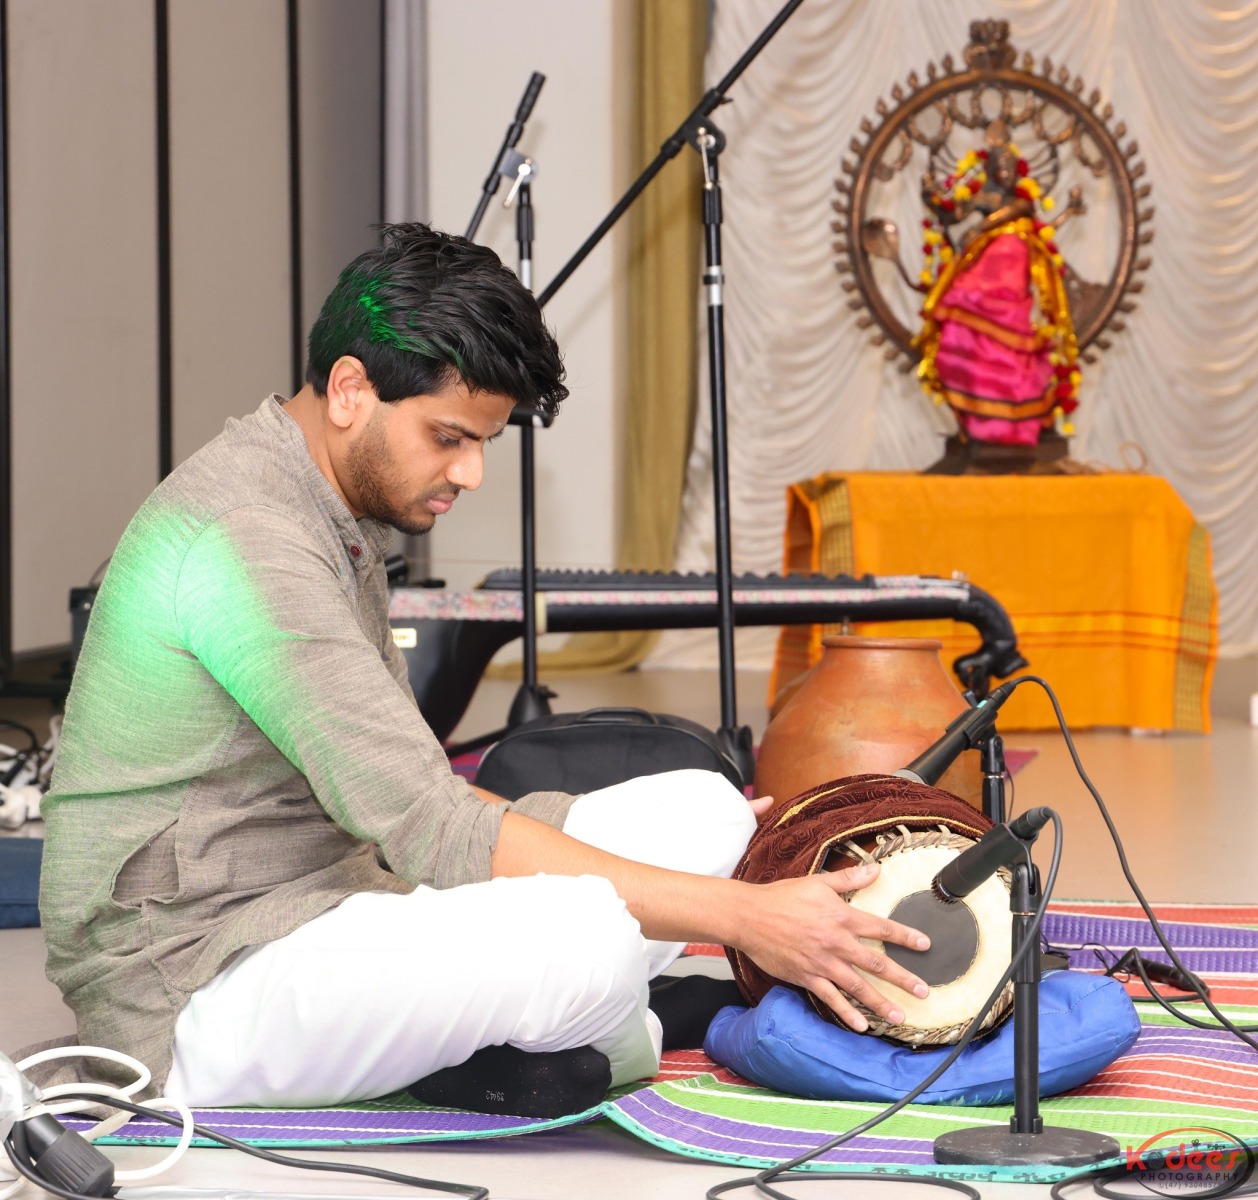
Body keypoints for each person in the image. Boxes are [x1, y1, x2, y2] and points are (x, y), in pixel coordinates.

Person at [39, 223, 931, 1110]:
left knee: (706, 810)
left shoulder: (324, 503)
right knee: (587, 944)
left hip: (340, 891)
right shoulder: (248, 540)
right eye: (448, 437)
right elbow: (430, 825)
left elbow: (418, 802)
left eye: (482, 444)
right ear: (349, 389)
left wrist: (712, 882)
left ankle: (544, 1032)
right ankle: (610, 1021)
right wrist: (742, 916)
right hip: (198, 978)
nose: (468, 473)